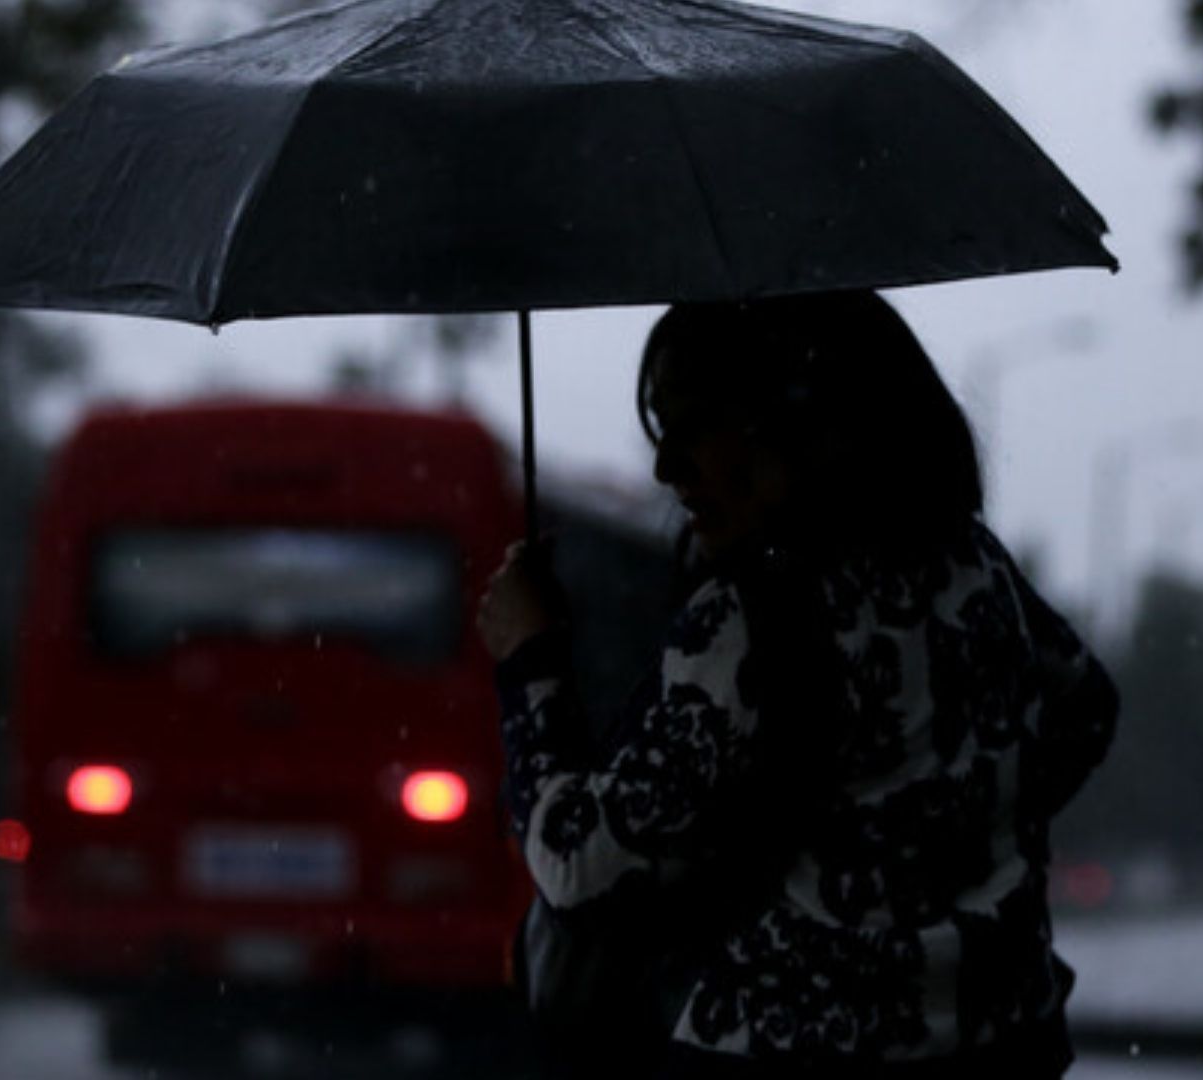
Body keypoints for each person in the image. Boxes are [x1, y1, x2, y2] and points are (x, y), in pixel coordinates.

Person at [478, 291, 1117, 1078]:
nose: (665, 466)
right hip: (1003, 1036)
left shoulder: (750, 615)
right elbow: (1087, 707)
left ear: (806, 427)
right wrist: (946, 833)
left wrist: (531, 660)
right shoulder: (972, 567)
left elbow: (580, 867)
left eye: (695, 424)